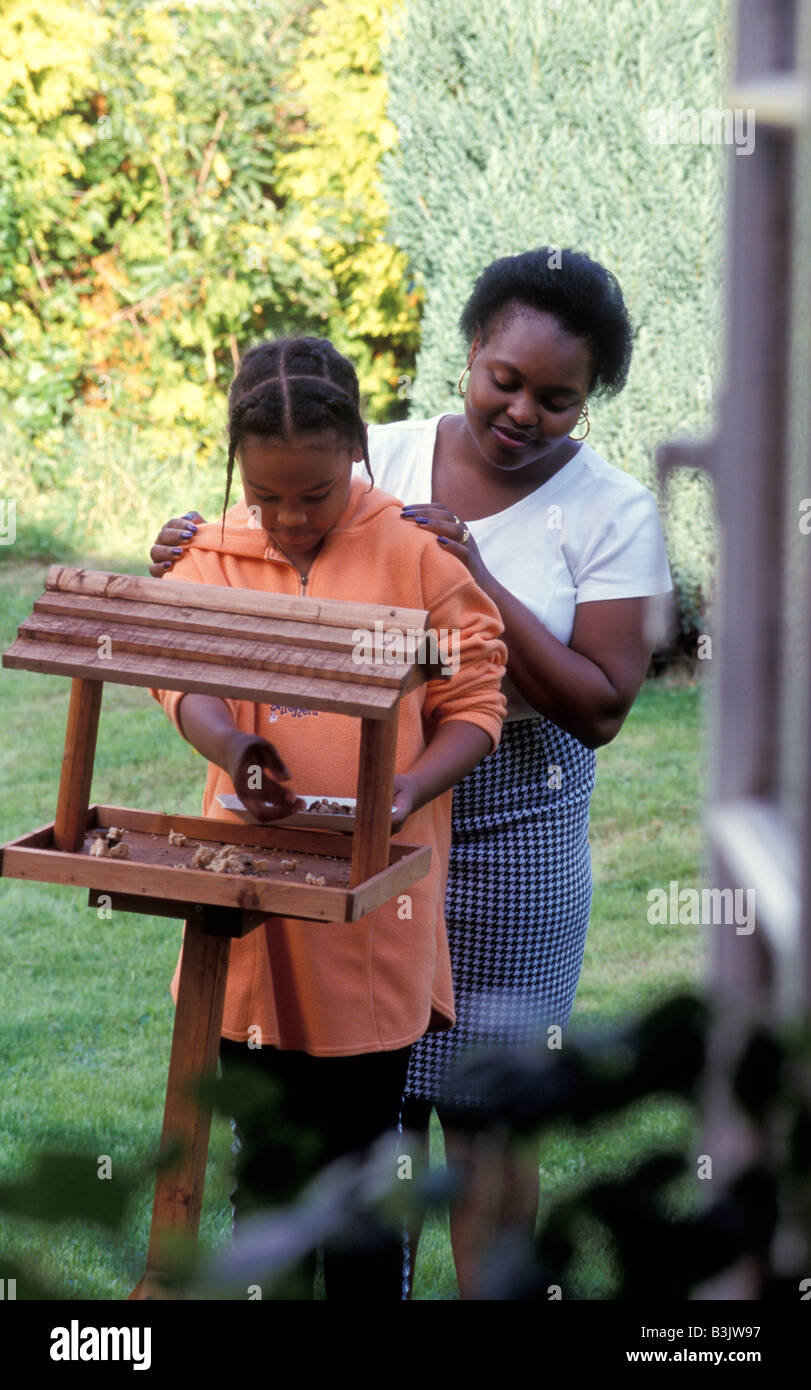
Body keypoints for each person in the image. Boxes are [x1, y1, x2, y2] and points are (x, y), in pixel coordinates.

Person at [148, 248, 673, 1297]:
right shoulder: (367, 456)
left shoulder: (613, 514)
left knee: (484, 1126)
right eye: (504, 380)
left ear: (590, 400)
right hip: (354, 836)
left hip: (509, 843)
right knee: (360, 1121)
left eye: (556, 398)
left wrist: (472, 571)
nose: (522, 410)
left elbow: (601, 704)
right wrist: (199, 548)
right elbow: (279, 533)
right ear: (470, 354)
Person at [148, 335, 507, 1301]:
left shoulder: (418, 554)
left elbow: (476, 702)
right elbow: (176, 675)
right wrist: (235, 750)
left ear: (357, 448)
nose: (290, 520)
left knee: (360, 1178)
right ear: (237, 468)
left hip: (371, 924)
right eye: (267, 497)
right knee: (263, 1173)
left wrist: (407, 788)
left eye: (314, 495)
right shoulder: (210, 555)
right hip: (251, 920)